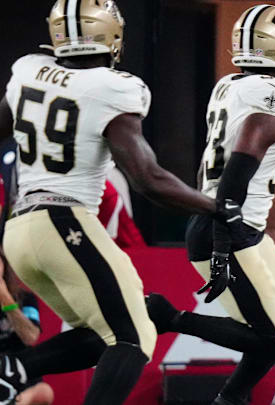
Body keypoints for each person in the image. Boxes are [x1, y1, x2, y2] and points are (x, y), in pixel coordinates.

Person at [0, 1, 240, 404]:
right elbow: (149, 179)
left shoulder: (27, 71)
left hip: (21, 232)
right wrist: (216, 206)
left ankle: (16, 368)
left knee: (108, 331)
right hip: (65, 221)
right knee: (134, 336)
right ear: (110, 35)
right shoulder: (112, 87)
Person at [144, 5, 275, 405]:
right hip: (229, 224)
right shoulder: (272, 94)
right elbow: (237, 172)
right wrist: (222, 245)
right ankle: (172, 319)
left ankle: (230, 399)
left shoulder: (229, 85)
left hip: (237, 225)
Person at [0, 253, 54, 405]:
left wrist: (6, 300)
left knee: (44, 392)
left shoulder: (26, 299)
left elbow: (31, 337)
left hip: (23, 371)